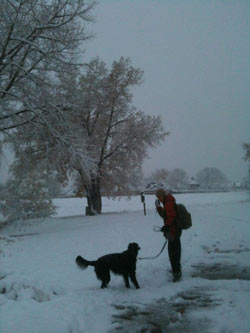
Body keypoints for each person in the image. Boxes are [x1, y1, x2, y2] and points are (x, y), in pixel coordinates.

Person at [155, 188, 182, 282]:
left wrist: (166, 226)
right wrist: (159, 207)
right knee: (174, 252)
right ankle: (176, 270)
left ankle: (177, 273)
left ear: (161, 196)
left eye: (158, 197)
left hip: (173, 232)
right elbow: (165, 215)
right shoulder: (167, 203)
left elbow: (171, 217)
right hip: (173, 231)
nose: (159, 199)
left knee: (173, 253)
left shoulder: (169, 203)